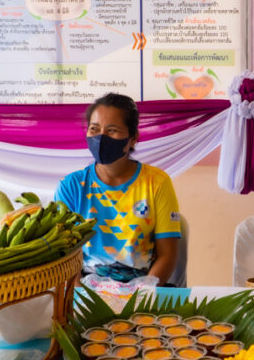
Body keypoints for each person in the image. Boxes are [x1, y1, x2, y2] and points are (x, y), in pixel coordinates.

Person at [55, 93, 181, 284]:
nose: (101, 137)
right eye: (94, 129)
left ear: (133, 138)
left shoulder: (157, 182)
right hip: (85, 289)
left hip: (142, 289)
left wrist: (143, 293)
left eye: (112, 130)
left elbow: (167, 255)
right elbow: (63, 257)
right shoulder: (71, 187)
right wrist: (81, 295)